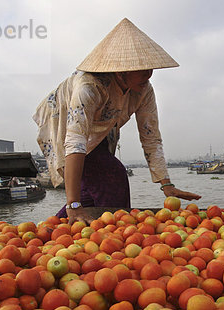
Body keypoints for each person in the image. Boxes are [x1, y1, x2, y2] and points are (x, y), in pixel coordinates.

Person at [33, 18, 201, 224]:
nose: (149, 75)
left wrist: (166, 184)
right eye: (142, 70)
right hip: (65, 124)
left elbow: (151, 136)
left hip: (102, 130)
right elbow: (75, 140)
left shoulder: (143, 90)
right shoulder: (89, 86)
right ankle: (114, 228)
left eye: (150, 69)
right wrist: (73, 204)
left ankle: (52, 230)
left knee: (94, 190)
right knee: (112, 175)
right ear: (121, 71)